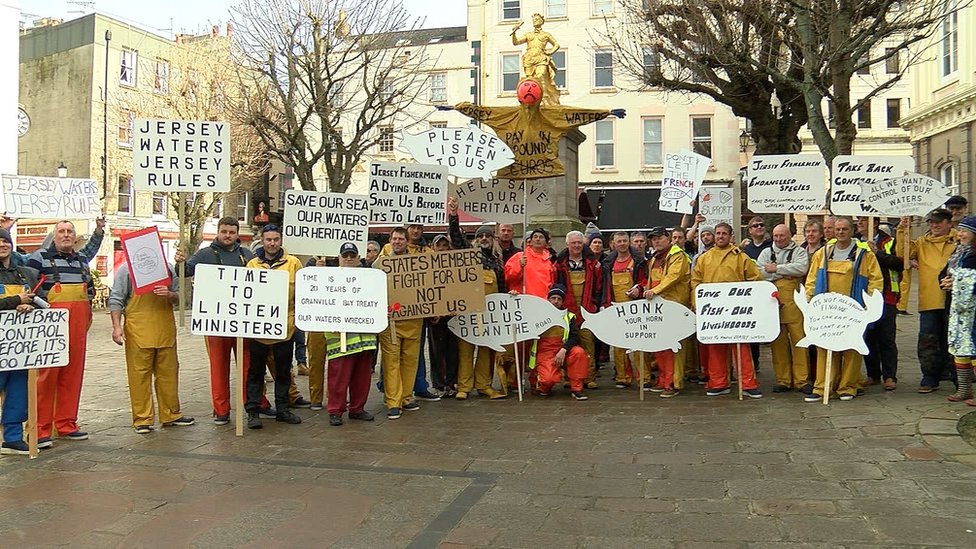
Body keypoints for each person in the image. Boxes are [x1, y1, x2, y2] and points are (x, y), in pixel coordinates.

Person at [177, 216, 281, 423]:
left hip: (243, 321)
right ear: (218, 232)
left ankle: (256, 402)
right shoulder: (204, 254)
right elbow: (184, 272)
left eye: (232, 232)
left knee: (250, 366)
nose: (228, 236)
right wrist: (179, 261)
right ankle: (221, 409)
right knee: (218, 366)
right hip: (216, 321)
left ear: (236, 234)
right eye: (224, 231)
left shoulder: (247, 255)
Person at [27, 220, 96, 447]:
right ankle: (39, 429)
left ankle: (67, 424)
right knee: (46, 378)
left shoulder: (82, 260)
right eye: (61, 231)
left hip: (77, 328)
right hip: (49, 328)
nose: (66, 235)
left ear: (74, 236)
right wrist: (44, 309)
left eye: (69, 231)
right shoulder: (39, 258)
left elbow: (90, 292)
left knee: (72, 375)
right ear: (54, 236)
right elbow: (28, 289)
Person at [804, 217, 884, 402]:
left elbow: (876, 280)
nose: (840, 232)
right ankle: (822, 387)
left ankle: (848, 386)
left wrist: (869, 304)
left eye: (844, 229)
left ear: (851, 230)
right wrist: (810, 302)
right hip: (826, 311)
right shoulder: (823, 253)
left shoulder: (864, 254)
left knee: (851, 348)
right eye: (837, 229)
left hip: (853, 309)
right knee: (824, 347)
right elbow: (812, 279)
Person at [109, 259, 194, 433]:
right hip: (137, 329)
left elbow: (179, 297)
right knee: (139, 376)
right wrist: (116, 326)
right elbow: (116, 298)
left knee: (169, 373)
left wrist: (170, 294)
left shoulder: (168, 268)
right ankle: (142, 419)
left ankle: (171, 414)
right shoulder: (126, 270)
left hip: (165, 329)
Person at [691, 223, 764, 398]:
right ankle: (718, 382)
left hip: (738, 311)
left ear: (731, 236)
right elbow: (695, 281)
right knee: (715, 347)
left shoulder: (741, 258)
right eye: (718, 233)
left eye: (724, 233)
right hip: (713, 312)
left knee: (741, 348)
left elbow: (756, 280)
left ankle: (748, 384)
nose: (720, 236)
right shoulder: (704, 258)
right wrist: (696, 302)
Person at [244, 225, 304, 428]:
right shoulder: (252, 264)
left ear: (281, 240)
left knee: (284, 371)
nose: (272, 243)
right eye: (268, 239)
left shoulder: (294, 263)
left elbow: (302, 294)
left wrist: (297, 320)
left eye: (276, 239)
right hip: (258, 328)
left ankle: (283, 409)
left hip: (285, 328)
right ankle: (253, 411)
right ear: (262, 240)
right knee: (255, 372)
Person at [447, 203, 508, 400]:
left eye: (488, 236)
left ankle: (484, 386)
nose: (484, 239)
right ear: (476, 240)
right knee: (465, 350)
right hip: (468, 312)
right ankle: (464, 387)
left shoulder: (498, 263)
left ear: (492, 240)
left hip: (489, 315)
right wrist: (454, 215)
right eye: (481, 236)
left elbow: (501, 288)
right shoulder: (469, 255)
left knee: (485, 350)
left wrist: (509, 299)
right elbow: (456, 238)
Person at [898, 209, 957, 393]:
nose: (934, 225)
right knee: (928, 340)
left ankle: (957, 376)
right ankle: (929, 377)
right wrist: (902, 229)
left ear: (949, 222)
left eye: (939, 222)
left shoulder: (958, 240)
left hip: (954, 300)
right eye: (932, 222)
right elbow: (903, 253)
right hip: (929, 299)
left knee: (954, 340)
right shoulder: (922, 242)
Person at [324, 242, 377, 426]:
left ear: (358, 258)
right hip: (339, 337)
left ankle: (357, 408)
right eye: (345, 255)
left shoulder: (369, 278)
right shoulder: (329, 279)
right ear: (339, 257)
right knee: (338, 376)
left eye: (352, 256)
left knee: (362, 376)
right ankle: (335, 410)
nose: (348, 259)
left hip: (365, 336)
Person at [376, 227, 426, 419]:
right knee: (391, 361)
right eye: (394, 239)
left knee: (410, 361)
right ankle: (393, 401)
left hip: (414, 319)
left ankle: (406, 396)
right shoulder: (379, 264)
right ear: (389, 241)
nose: (397, 242)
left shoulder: (418, 262)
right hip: (391, 322)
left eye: (401, 239)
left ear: (407, 241)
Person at [0, 228, 42, 455]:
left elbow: (42, 300)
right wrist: (16, 300)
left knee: (18, 391)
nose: (2, 245)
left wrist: (31, 304)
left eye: (5, 241)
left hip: (19, 346)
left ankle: (12, 438)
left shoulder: (26, 274)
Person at [757, 224, 811, 394]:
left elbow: (802, 268)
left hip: (795, 305)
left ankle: (802, 380)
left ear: (790, 236)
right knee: (778, 344)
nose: (779, 239)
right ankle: (783, 380)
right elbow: (759, 272)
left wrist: (776, 269)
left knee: (799, 342)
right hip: (773, 305)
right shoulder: (766, 253)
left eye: (782, 236)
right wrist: (786, 273)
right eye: (775, 236)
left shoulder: (799, 252)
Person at [645, 226, 692, 397]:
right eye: (653, 238)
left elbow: (673, 277)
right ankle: (664, 379)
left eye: (659, 237)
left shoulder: (677, 255)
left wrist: (654, 292)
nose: (656, 241)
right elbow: (651, 282)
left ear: (668, 238)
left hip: (675, 306)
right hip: (658, 308)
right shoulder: (654, 259)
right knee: (660, 345)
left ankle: (674, 382)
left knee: (675, 346)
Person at [554, 230, 603, 390]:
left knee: (588, 343)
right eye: (573, 243)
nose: (576, 246)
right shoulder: (559, 264)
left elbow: (598, 286)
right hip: (567, 312)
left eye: (579, 243)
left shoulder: (592, 263)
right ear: (567, 244)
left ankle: (589, 377)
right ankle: (570, 377)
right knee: (570, 346)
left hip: (587, 310)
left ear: (583, 244)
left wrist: (595, 304)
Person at [602, 231, 649, 388]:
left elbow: (645, 280)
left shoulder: (639, 261)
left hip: (636, 307)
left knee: (638, 342)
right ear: (613, 244)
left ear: (628, 242)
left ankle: (644, 377)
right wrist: (606, 304)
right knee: (618, 344)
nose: (621, 243)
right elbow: (605, 286)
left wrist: (639, 288)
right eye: (619, 241)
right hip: (616, 308)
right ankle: (622, 377)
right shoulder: (608, 263)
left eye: (624, 240)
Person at [859, 217, 902, 390]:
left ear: (874, 223)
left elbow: (899, 263)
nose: (859, 224)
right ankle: (873, 374)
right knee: (868, 337)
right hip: (863, 297)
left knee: (886, 338)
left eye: (863, 221)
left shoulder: (889, 241)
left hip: (886, 297)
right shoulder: (855, 242)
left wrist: (877, 253)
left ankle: (890, 376)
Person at [530, 284, 589, 399]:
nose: (556, 301)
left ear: (562, 302)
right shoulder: (536, 315)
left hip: (564, 350)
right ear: (548, 300)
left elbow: (575, 337)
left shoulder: (569, 316)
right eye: (553, 298)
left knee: (579, 353)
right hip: (545, 353)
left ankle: (577, 389)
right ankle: (543, 386)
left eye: (559, 299)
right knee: (547, 380)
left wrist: (564, 350)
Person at [944, 216, 976, 404]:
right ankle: (965, 390)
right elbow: (947, 272)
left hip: (973, 311)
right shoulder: (959, 252)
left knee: (974, 349)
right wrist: (945, 281)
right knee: (960, 348)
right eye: (960, 230)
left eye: (965, 231)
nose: (960, 234)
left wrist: (956, 283)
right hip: (959, 311)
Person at [740, 216, 772, 371]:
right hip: (751, 295)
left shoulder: (772, 246)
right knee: (751, 330)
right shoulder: (745, 250)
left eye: (762, 225)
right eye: (755, 225)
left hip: (770, 292)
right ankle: (754, 363)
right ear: (750, 230)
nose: (759, 227)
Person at [511, 13, 561, 106]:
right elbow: (516, 42)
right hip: (529, 59)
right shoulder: (528, 35)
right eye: (534, 19)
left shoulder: (546, 35)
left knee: (541, 75)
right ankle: (532, 99)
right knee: (530, 79)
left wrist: (550, 52)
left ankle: (543, 99)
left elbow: (556, 45)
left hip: (541, 58)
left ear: (542, 21)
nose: (535, 21)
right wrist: (514, 33)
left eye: (537, 19)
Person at [505, 227, 555, 298]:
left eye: (541, 237)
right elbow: (508, 277)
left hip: (544, 300)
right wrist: (519, 266)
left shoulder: (549, 262)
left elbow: (551, 284)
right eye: (535, 237)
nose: (538, 239)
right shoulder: (520, 256)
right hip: (524, 298)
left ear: (546, 242)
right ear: (530, 241)